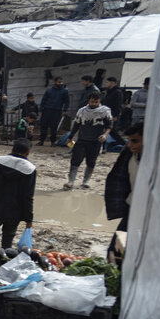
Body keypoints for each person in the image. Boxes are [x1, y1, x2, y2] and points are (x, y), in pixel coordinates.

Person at [0, 139, 36, 253]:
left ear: (12, 149)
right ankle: (2, 261)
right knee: (8, 239)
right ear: (28, 153)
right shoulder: (30, 169)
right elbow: (28, 196)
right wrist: (29, 218)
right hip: (15, 211)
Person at [105, 123, 143, 262]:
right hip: (132, 208)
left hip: (151, 214)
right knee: (115, 250)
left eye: (135, 141)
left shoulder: (158, 163)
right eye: (129, 141)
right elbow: (117, 179)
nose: (131, 145)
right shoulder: (128, 156)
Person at [64, 92, 113, 189]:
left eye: (96, 102)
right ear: (88, 101)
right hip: (82, 140)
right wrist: (70, 137)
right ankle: (71, 181)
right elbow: (76, 125)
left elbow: (109, 126)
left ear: (99, 101)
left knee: (91, 161)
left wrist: (105, 135)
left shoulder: (105, 111)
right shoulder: (82, 111)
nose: (94, 104)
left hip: (96, 141)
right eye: (92, 101)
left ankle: (86, 181)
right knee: (75, 160)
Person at [38, 77, 69, 145]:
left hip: (57, 111)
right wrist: (41, 110)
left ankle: (53, 141)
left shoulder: (64, 91)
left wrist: (65, 110)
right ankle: (41, 141)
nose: (60, 83)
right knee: (44, 126)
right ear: (55, 82)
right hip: (47, 110)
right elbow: (43, 100)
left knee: (54, 127)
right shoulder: (49, 90)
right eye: (59, 82)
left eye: (61, 82)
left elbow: (67, 102)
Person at [102, 76, 125, 147]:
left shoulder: (117, 92)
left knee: (112, 131)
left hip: (112, 114)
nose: (106, 84)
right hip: (106, 113)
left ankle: (123, 143)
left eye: (107, 82)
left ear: (112, 83)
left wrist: (115, 115)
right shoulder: (109, 92)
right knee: (105, 130)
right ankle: (103, 146)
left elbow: (118, 104)